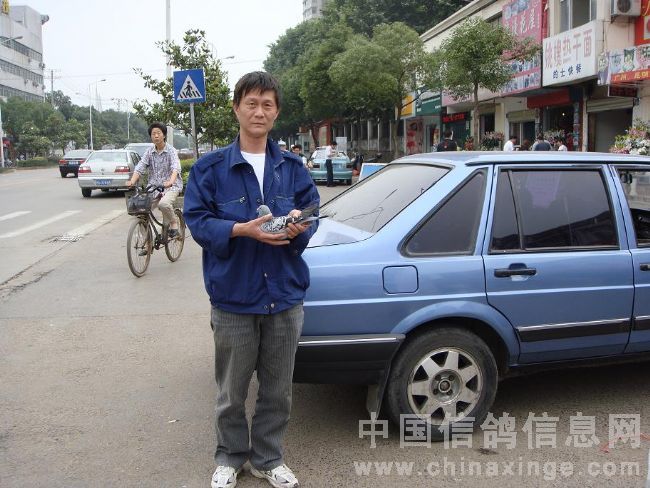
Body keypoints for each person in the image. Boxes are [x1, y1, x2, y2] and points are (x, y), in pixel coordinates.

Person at [183, 71, 319, 488]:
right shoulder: (209, 169)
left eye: (267, 105)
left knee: (278, 390)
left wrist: (298, 224)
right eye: (251, 103)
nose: (259, 112)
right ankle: (230, 456)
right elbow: (198, 220)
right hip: (234, 298)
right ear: (236, 108)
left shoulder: (292, 168)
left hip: (285, 296)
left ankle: (267, 458)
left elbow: (311, 211)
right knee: (231, 391)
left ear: (276, 113)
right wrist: (242, 229)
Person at [126, 122, 182, 239]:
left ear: (164, 135)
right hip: (154, 187)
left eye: (158, 133)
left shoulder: (171, 151)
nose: (156, 136)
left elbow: (175, 168)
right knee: (140, 210)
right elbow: (140, 167)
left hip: (171, 187)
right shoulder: (149, 151)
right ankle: (147, 242)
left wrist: (170, 181)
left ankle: (173, 222)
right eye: (153, 134)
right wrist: (132, 181)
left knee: (163, 204)